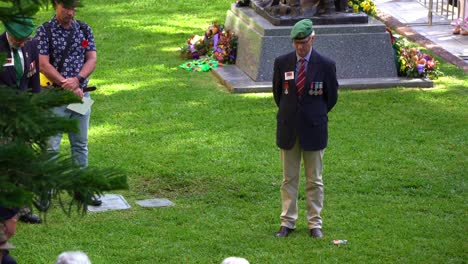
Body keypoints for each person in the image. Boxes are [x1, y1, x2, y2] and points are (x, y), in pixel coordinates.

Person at [272, 19, 338, 238]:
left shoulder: (326, 65)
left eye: (304, 42)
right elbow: (278, 95)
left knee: (314, 180)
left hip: (314, 129)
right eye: (297, 43)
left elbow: (331, 98)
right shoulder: (282, 63)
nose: (301, 47)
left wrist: (313, 115)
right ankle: (287, 222)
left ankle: (314, 223)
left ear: (313, 39)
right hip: (289, 129)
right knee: (288, 179)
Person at [35, 0, 101, 206]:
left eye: (73, 9)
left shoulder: (83, 28)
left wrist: (78, 80)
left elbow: (91, 59)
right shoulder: (44, 31)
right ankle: (45, 193)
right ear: (56, 5)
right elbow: (43, 65)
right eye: (66, 8)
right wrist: (67, 84)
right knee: (51, 147)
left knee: (80, 144)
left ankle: (81, 190)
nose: (70, 13)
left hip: (81, 96)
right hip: (55, 96)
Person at [0, 16, 43, 224]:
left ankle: (24, 209)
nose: (24, 42)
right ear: (10, 33)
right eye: (20, 39)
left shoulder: (32, 45)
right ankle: (7, 211)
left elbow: (34, 79)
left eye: (26, 38)